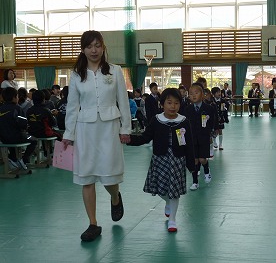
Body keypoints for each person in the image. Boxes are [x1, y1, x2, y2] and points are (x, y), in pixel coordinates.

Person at [62, 30, 131, 242]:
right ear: (83, 49)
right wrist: (69, 133)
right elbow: (72, 107)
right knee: (87, 177)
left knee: (109, 176)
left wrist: (125, 128)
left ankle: (114, 196)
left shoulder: (115, 71)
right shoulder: (76, 75)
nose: (94, 50)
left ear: (103, 47)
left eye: (98, 45)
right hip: (85, 130)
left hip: (109, 128)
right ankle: (93, 223)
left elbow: (124, 102)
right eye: (89, 46)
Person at [127, 88, 195, 232]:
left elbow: (189, 143)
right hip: (160, 158)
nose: (173, 106)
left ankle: (172, 220)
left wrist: (191, 163)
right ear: (162, 103)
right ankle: (168, 203)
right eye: (169, 103)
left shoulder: (183, 121)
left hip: (178, 159)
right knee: (160, 189)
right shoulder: (156, 120)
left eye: (176, 103)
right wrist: (129, 139)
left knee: (174, 191)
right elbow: (145, 138)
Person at [184, 83, 216, 191]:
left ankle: (207, 170)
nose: (193, 96)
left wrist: (212, 133)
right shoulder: (187, 109)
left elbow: (212, 122)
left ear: (202, 95)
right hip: (192, 138)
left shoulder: (209, 108)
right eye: (191, 93)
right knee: (195, 160)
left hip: (204, 137)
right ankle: (195, 182)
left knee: (202, 159)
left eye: (196, 93)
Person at [0, 87, 37, 170]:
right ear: (14, 97)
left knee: (10, 139)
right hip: (17, 137)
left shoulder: (1, 108)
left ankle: (13, 158)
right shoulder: (17, 108)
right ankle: (24, 159)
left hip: (3, 138)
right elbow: (23, 124)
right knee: (34, 140)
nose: (18, 98)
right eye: (17, 96)